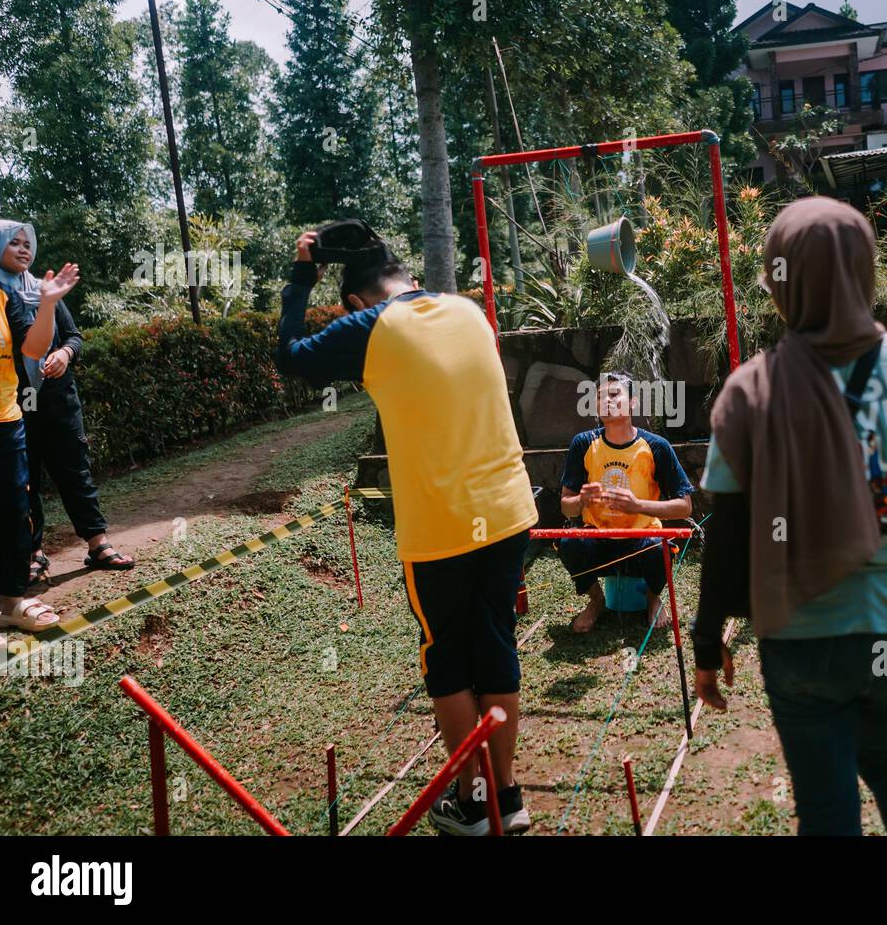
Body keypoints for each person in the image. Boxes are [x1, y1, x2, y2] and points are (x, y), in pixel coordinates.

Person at [690, 197, 887, 836]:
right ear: (864, 272)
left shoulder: (750, 391)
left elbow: (727, 537)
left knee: (825, 805)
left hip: (803, 633)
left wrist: (708, 644)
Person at [276, 221, 538, 836]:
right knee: (496, 645)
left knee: (447, 660)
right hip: (507, 510)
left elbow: (290, 360)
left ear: (356, 301)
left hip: (441, 527)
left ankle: (475, 807)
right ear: (410, 278)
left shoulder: (370, 327)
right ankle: (508, 796)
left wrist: (300, 274)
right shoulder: (470, 312)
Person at [0, 220, 133, 584]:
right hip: (14, 402)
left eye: (27, 243)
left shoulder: (39, 289)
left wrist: (65, 353)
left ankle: (97, 543)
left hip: (56, 397)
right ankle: (33, 554)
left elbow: (74, 336)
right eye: (13, 243)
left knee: (74, 468)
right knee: (24, 480)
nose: (23, 249)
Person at [0, 238, 80, 649]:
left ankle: (12, 602)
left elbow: (34, 349)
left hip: (4, 421)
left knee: (12, 513)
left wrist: (47, 304)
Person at [557, 372, 694, 633]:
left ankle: (653, 599)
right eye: (599, 397)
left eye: (614, 394)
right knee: (569, 542)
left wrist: (638, 506)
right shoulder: (583, 443)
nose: (606, 401)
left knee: (658, 547)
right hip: (598, 536)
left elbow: (685, 506)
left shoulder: (656, 446)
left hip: (642, 538)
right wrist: (581, 500)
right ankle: (596, 601)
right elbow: (566, 506)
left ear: (632, 402)